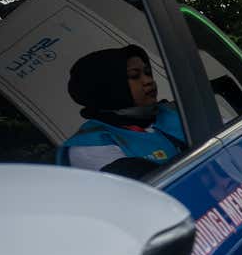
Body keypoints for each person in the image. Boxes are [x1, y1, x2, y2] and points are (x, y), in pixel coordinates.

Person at [58, 44, 185, 178]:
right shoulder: (91, 145)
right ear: (107, 87)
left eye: (147, 73)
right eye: (134, 76)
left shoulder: (173, 110)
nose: (148, 81)